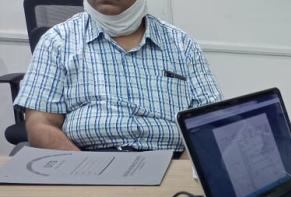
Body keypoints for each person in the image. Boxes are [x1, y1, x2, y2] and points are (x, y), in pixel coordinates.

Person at [14, 0, 221, 154]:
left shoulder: (182, 44)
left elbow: (211, 120)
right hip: (86, 159)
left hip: (171, 160)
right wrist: (84, 171)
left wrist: (182, 173)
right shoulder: (57, 41)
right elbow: (40, 124)